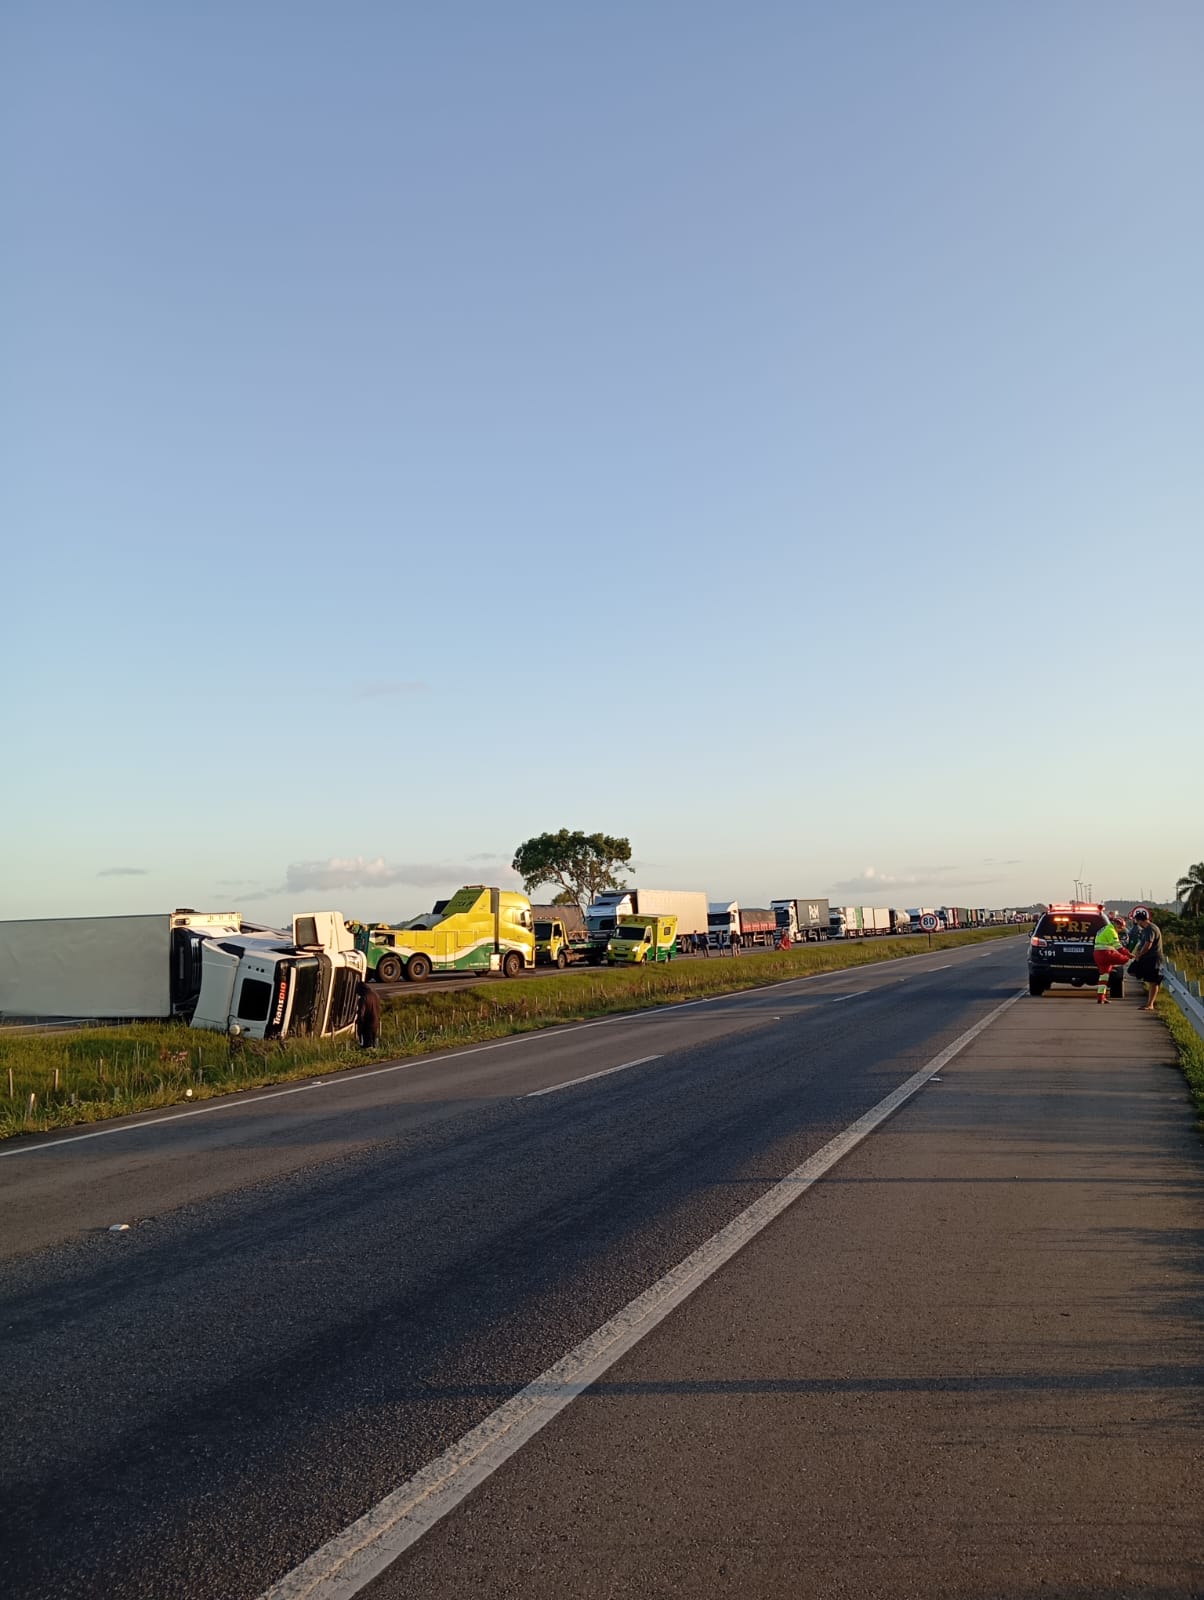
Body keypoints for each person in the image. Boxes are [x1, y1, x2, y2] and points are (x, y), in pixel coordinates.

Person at [1128, 908, 1165, 1011]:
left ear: (1140, 920)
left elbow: (1148, 944)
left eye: (1137, 921)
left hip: (1152, 957)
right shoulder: (1146, 929)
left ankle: (1150, 1004)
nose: (1137, 923)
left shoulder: (1150, 929)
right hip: (1147, 958)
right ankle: (1149, 1003)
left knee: (1153, 981)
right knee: (1132, 970)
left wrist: (1140, 954)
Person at [1092, 913, 1130, 1005]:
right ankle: (1135, 964)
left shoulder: (1104, 928)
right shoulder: (1111, 930)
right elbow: (1118, 947)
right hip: (1106, 954)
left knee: (1104, 976)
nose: (1120, 929)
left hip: (1098, 954)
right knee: (1125, 959)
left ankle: (1101, 997)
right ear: (1116, 924)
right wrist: (1130, 955)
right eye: (1120, 927)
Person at [355, 979, 381, 1048]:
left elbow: (361, 1014)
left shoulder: (363, 998)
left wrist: (359, 1026)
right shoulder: (375, 995)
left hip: (367, 1025)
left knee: (367, 1045)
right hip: (376, 1022)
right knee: (374, 1042)